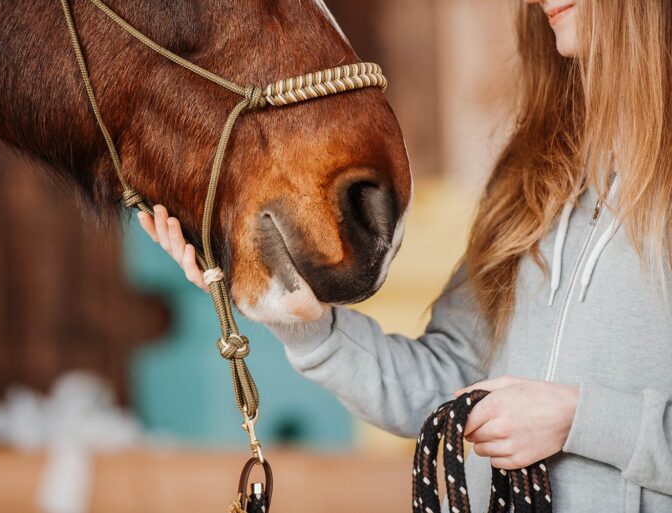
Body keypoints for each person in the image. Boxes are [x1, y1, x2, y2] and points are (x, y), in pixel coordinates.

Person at [137, 1, 672, 511]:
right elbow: (447, 384)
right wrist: (302, 323)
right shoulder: (534, 180)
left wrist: (579, 420)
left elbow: (569, 420)